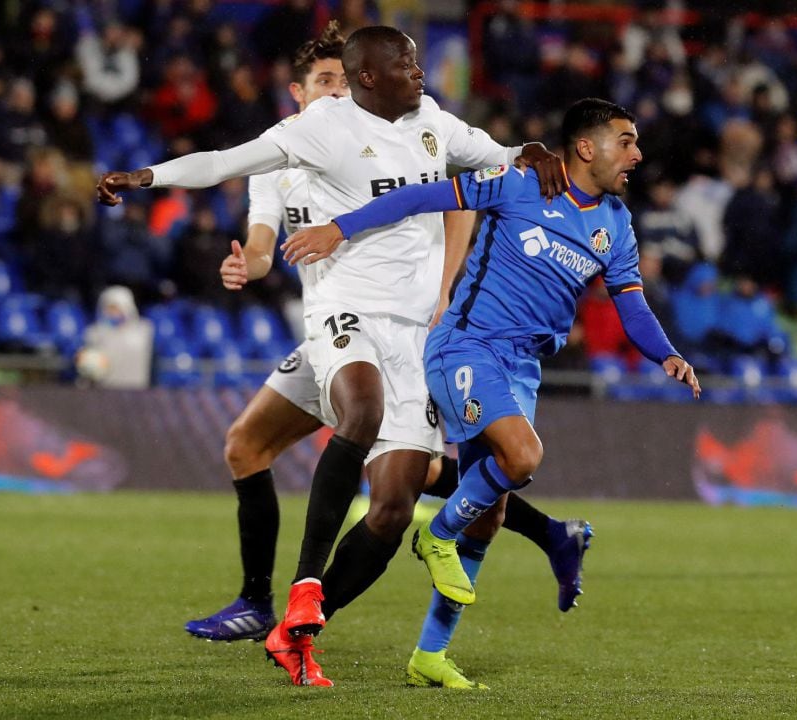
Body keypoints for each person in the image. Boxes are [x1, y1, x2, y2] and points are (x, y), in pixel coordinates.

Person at [96, 25, 568, 687]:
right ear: (363, 76)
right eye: (404, 61)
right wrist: (146, 176)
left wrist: (536, 152)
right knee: (349, 413)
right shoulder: (315, 131)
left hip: (415, 336)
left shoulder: (433, 122)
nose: (419, 68)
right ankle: (297, 586)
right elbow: (221, 162)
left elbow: (499, 158)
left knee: (395, 506)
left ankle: (297, 632)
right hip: (342, 309)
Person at [282, 98, 700, 685]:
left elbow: (632, 306)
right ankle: (436, 533)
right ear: (586, 147)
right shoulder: (520, 183)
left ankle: (429, 654)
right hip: (466, 346)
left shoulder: (616, 224)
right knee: (522, 458)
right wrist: (338, 228)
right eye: (626, 141)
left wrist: (669, 354)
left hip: (521, 367)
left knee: (491, 515)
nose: (637, 153)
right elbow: (422, 197)